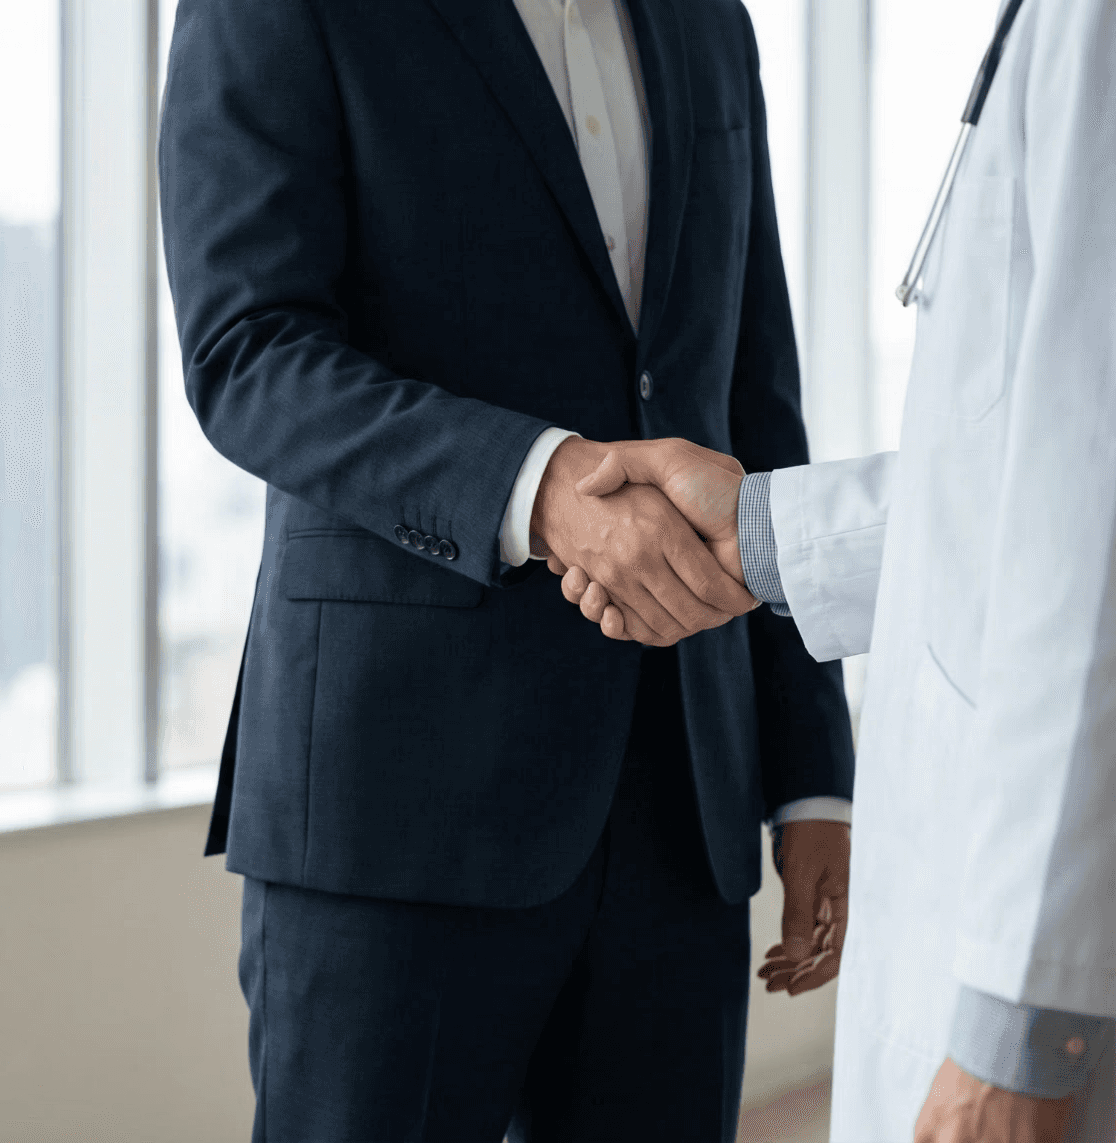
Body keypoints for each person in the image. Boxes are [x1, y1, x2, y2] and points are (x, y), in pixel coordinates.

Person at [157, 1, 857, 1138]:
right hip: (393, 799)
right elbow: (249, 349)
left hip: (682, 802)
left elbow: (754, 401)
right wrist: (534, 488)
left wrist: (810, 773)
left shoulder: (709, 25)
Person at [548, 2, 1116, 1138]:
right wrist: (760, 534)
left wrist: (1022, 1027)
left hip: (1014, 952)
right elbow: (1014, 488)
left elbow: (1085, 524)